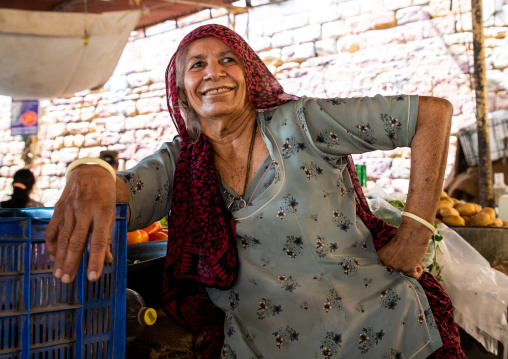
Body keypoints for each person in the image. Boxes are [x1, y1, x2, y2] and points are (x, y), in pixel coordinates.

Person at [45, 25, 465, 358]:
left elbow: (431, 115)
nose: (214, 72)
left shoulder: (303, 123)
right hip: (262, 348)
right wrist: (89, 168)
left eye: (228, 59)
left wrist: (415, 232)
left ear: (250, 74)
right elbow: (120, 196)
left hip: (385, 333)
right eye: (196, 65)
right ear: (181, 93)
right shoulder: (181, 162)